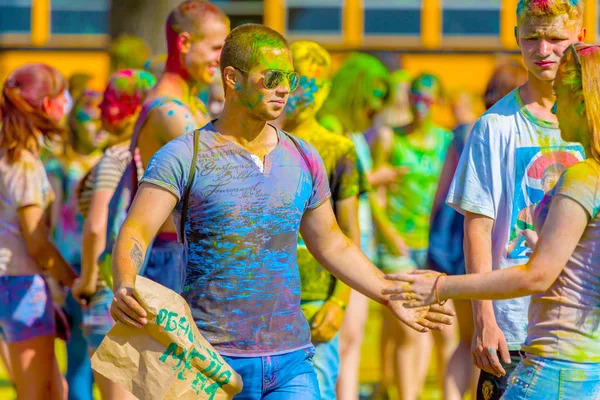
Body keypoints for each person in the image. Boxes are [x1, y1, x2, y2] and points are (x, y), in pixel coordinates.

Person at [109, 24, 454, 400]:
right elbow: (136, 229)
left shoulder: (304, 157)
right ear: (232, 78)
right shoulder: (184, 155)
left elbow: (333, 243)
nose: (285, 88)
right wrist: (125, 281)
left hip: (292, 361)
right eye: (272, 77)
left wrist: (389, 293)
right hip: (209, 362)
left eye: (289, 77)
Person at [384, 41, 600, 398]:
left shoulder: (582, 177)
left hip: (556, 372)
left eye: (561, 95)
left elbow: (538, 276)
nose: (556, 106)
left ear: (583, 100)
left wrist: (440, 287)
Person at [428, 58, 528, 400]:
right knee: (483, 341)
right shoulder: (493, 129)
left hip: (458, 247)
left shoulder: (466, 132)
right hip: (487, 249)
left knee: (465, 339)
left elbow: (441, 195)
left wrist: (434, 240)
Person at [318, 53, 411, 400]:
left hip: (361, 241)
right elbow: (334, 187)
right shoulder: (328, 126)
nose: (377, 106)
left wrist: (386, 232)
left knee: (353, 336)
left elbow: (359, 189)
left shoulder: (352, 132)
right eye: (374, 95)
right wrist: (377, 178)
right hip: (338, 245)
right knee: (342, 338)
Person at [275, 40, 365, 400]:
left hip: (315, 302)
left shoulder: (337, 149)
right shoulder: (257, 143)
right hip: (258, 303)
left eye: (313, 83)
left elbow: (349, 234)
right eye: (295, 81)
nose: (302, 93)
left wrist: (339, 302)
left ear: (326, 88)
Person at [132, 0, 230, 292]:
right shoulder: (171, 113)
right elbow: (221, 182)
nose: (221, 59)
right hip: (172, 258)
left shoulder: (192, 105)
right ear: (184, 42)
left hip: (186, 253)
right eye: (215, 48)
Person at [74, 69, 156, 400]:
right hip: (153, 289)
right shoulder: (161, 156)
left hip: (113, 294)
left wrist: (89, 281)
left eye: (108, 101)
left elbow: (97, 225)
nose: (101, 110)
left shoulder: (117, 156)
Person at [372, 73, 453, 400]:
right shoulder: (391, 138)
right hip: (399, 244)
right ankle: (395, 388)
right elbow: (371, 192)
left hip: (433, 245)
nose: (421, 104)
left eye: (428, 98)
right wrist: (389, 234)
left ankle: (404, 386)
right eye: (416, 96)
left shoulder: (447, 142)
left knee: (439, 328)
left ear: (438, 102)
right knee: (407, 329)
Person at [0, 63, 77, 400]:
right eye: (62, 97)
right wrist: (75, 281)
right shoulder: (25, 164)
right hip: (21, 284)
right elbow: (36, 242)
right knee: (39, 394)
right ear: (48, 105)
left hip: (13, 284)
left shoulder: (8, 157)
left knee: (54, 389)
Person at [46, 89, 106, 400]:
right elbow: (51, 221)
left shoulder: (112, 159)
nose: (97, 127)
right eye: (90, 120)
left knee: (108, 360)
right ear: (75, 123)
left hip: (104, 263)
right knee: (78, 356)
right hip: (71, 266)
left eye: (102, 120)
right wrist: (53, 276)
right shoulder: (59, 165)